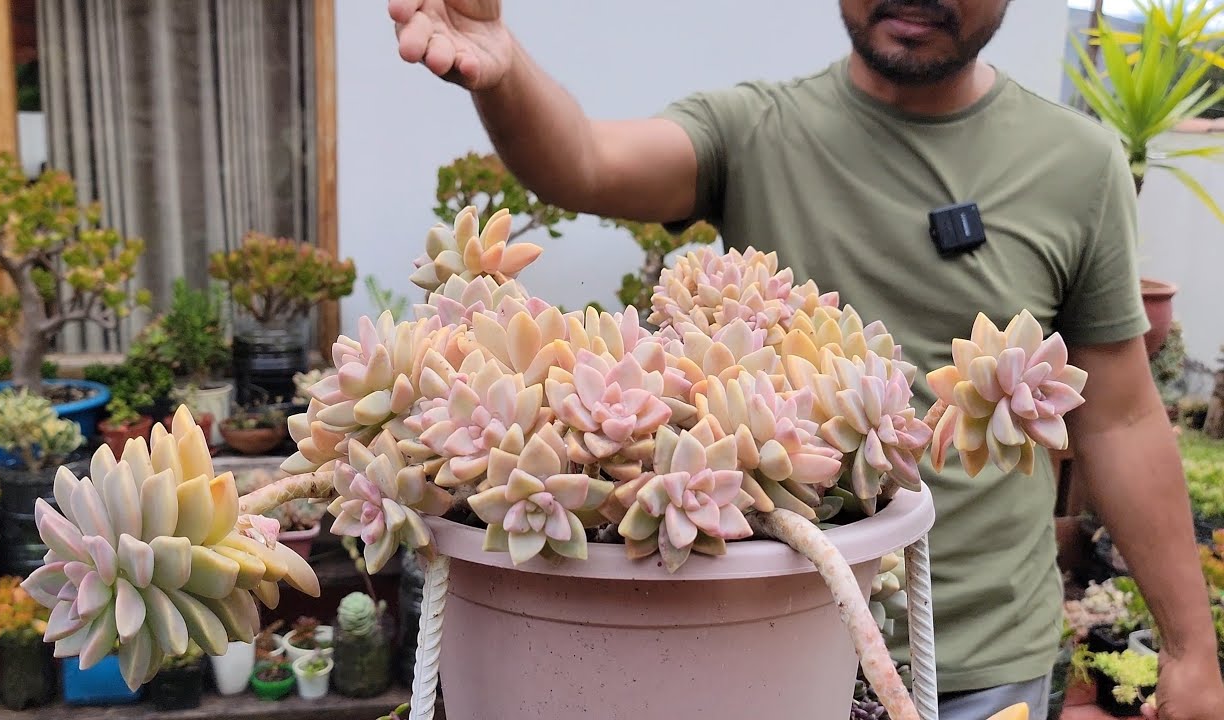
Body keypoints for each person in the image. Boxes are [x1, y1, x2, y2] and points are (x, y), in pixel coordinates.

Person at [386, 1, 1224, 718]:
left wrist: (1190, 649)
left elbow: (1118, 413)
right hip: (768, 645)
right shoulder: (756, 129)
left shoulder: (1079, 164)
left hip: (981, 656)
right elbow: (587, 162)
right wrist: (504, 72)